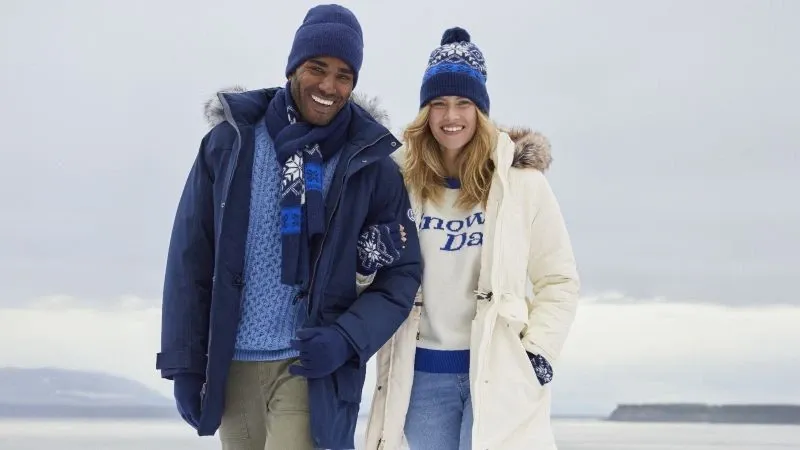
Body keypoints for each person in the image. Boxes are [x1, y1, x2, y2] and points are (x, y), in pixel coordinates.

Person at [155, 4, 422, 450]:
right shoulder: (230, 143)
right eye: (318, 69)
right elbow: (190, 255)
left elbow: (403, 273)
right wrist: (184, 363)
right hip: (232, 364)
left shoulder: (371, 164)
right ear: (293, 67)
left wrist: (345, 339)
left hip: (309, 367)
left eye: (344, 76)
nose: (329, 86)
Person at [362, 27, 580, 450]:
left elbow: (560, 280)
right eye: (439, 104)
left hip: (500, 370)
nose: (451, 116)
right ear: (425, 111)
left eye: (463, 103)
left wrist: (538, 354)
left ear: (481, 109)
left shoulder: (522, 184)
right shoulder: (397, 181)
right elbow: (369, 280)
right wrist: (366, 260)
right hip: (421, 376)